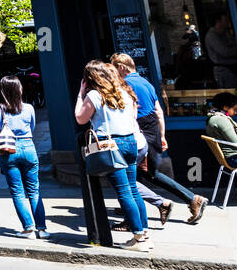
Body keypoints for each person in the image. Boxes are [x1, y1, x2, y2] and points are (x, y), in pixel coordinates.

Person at [111, 53, 207, 225]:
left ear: (122, 67)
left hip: (139, 133)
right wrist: (162, 136)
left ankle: (190, 199)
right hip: (153, 131)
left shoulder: (125, 84)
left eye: (114, 69)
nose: (114, 74)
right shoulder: (146, 83)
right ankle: (129, 205)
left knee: (130, 173)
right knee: (144, 172)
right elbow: (159, 112)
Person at [75, 60, 150, 251]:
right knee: (132, 189)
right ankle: (144, 233)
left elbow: (80, 118)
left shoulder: (94, 95)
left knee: (124, 192)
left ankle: (138, 237)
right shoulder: (124, 93)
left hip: (111, 145)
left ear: (91, 78)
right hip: (130, 142)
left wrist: (80, 95)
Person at [0, 76, 46, 238]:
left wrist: (0, 134)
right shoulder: (29, 108)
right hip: (28, 148)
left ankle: (28, 229)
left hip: (8, 150)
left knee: (18, 192)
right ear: (20, 89)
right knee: (34, 191)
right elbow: (32, 127)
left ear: (2, 91)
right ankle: (42, 229)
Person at [205, 92, 237, 168]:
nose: (236, 112)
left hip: (231, 157)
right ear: (225, 107)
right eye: (234, 109)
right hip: (235, 157)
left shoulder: (213, 117)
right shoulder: (221, 120)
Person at [205, 14, 237, 88]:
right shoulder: (212, 36)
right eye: (225, 20)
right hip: (225, 71)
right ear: (218, 22)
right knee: (233, 93)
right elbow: (225, 52)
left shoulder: (225, 33)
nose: (228, 22)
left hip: (234, 69)